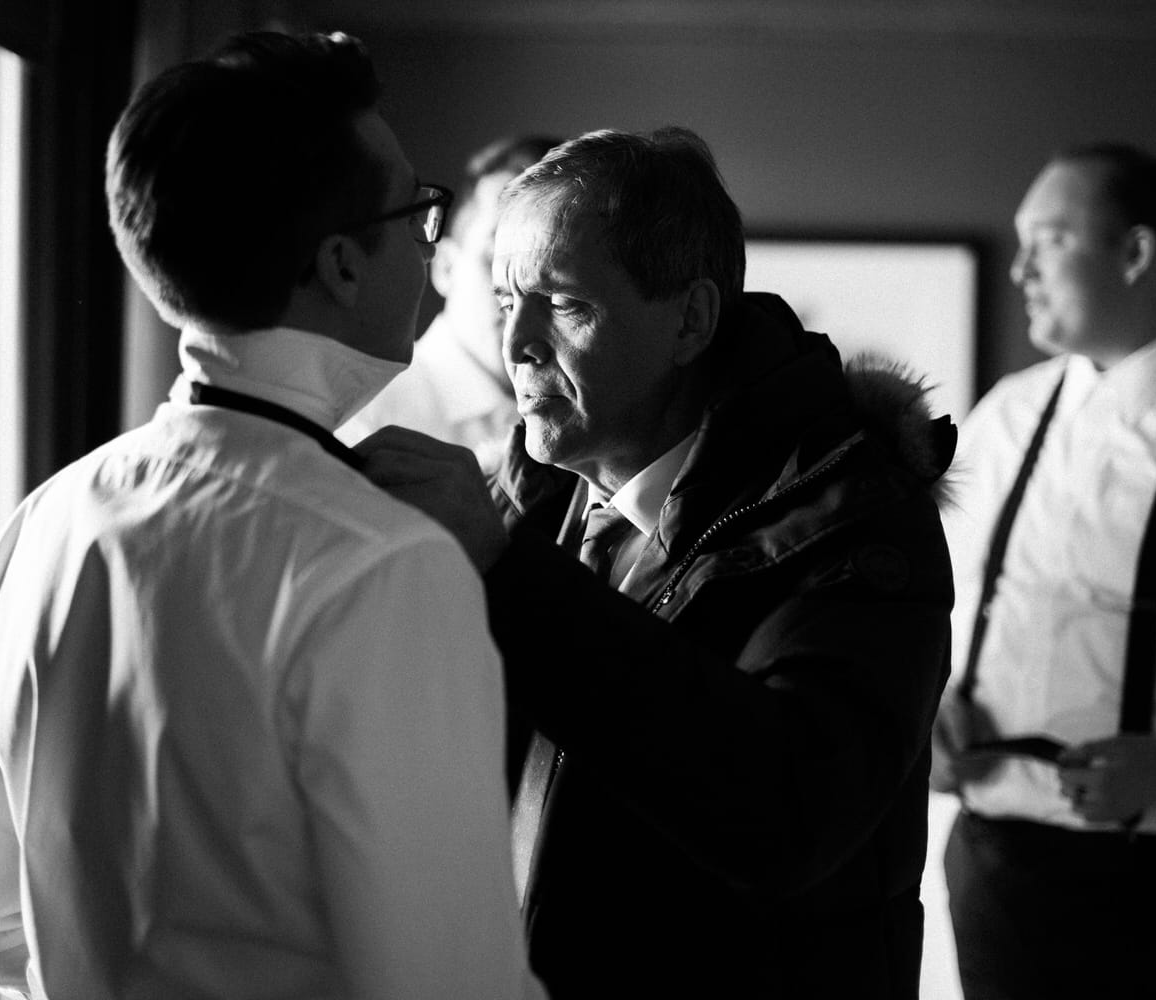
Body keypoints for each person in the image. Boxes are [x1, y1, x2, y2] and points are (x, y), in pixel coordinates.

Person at [0, 30, 544, 1000]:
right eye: (421, 214)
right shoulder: (385, 562)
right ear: (343, 264)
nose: (430, 251)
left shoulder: (45, 520)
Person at [358, 126, 955, 998]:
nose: (514, 343)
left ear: (691, 318)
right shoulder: (531, 493)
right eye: (503, 299)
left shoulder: (857, 520)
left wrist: (505, 566)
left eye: (563, 305)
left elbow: (786, 812)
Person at [931, 142, 1156, 1000]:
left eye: (1048, 241)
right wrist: (930, 707)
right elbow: (945, 606)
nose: (1018, 271)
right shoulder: (1004, 415)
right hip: (997, 866)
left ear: (1136, 252)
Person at [339, 133, 564, 473]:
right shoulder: (369, 416)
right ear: (445, 268)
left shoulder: (597, 412)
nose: (527, 288)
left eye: (553, 266)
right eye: (498, 259)